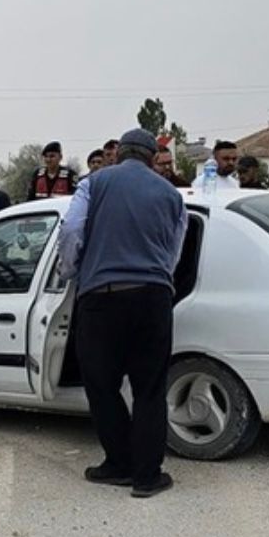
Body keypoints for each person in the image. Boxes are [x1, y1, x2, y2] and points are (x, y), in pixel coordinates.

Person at [57, 128, 187, 499]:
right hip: (153, 299)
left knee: (101, 386)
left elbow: (71, 231)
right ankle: (147, 477)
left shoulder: (94, 184)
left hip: (101, 298)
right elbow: (174, 253)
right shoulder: (171, 196)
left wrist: (71, 271)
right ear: (150, 158)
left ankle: (118, 464)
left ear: (118, 155)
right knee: (149, 390)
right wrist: (156, 278)